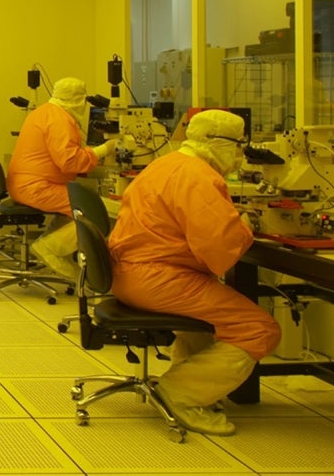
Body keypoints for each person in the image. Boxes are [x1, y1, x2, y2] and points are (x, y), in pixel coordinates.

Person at [106, 109, 281, 436]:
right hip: (157, 278)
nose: (240, 154)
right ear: (218, 143)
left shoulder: (167, 163)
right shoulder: (198, 176)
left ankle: (195, 385)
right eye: (237, 145)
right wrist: (246, 224)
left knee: (211, 314)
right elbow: (220, 248)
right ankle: (180, 393)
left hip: (130, 273)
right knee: (259, 328)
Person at [6, 77, 115, 279]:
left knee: (77, 205)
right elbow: (69, 161)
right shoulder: (59, 119)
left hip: (26, 184)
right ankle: (49, 248)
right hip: (36, 187)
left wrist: (89, 155)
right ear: (79, 100)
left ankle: (52, 245)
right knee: (98, 210)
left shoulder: (45, 112)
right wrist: (102, 150)